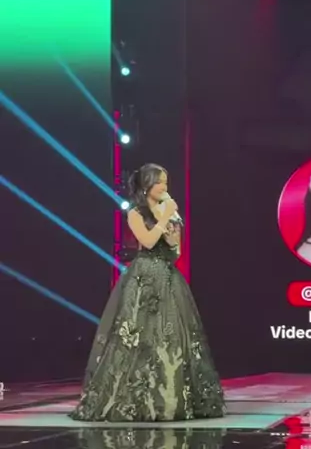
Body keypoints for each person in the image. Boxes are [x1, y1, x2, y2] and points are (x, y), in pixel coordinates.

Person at [71, 163, 225, 422]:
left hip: (168, 277)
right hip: (143, 277)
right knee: (137, 337)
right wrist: (164, 218)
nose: (165, 186)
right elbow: (148, 241)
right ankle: (135, 398)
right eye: (160, 181)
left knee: (171, 337)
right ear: (147, 185)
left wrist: (173, 224)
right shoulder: (135, 213)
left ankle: (170, 397)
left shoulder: (170, 212)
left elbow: (175, 251)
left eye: (166, 181)